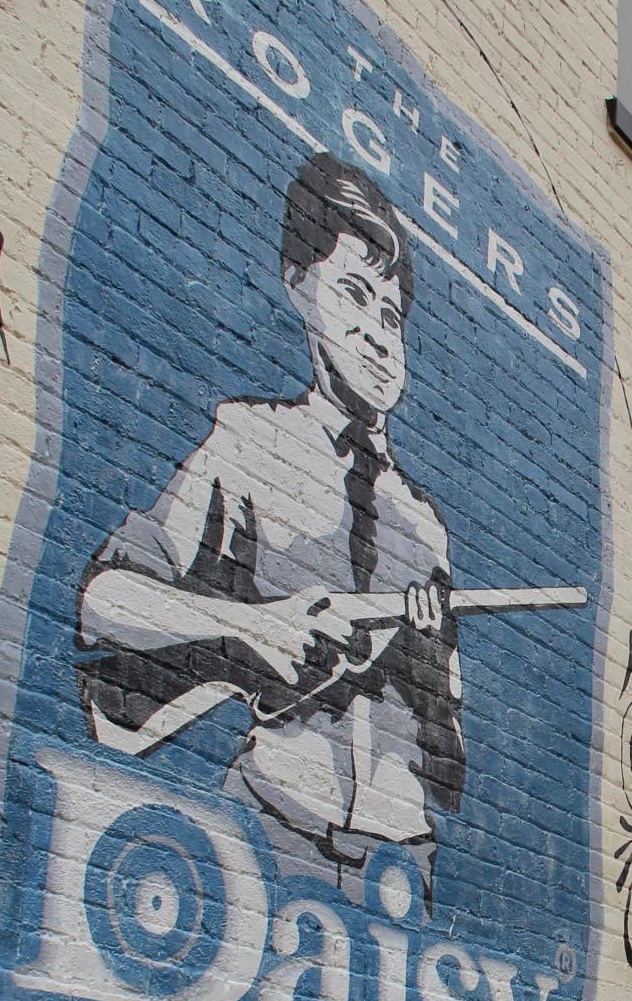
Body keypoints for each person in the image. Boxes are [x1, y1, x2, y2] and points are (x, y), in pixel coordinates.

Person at [77, 151, 464, 898]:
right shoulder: (248, 444)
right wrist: (250, 627)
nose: (380, 336)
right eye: (354, 295)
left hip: (400, 864)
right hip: (275, 830)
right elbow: (104, 597)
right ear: (298, 287)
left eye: (393, 317)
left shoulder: (425, 526)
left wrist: (429, 672)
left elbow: (449, 772)